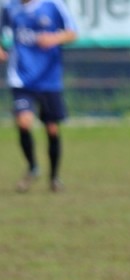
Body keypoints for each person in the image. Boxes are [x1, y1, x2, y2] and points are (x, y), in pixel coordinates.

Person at [0, 0, 77, 193]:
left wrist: (54, 39)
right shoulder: (9, 7)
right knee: (24, 122)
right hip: (22, 77)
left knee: (52, 129)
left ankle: (54, 177)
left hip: (49, 79)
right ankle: (33, 167)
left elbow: (72, 32)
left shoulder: (53, 5)